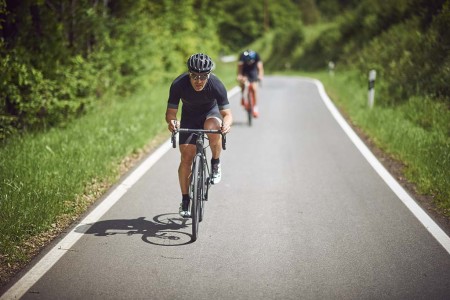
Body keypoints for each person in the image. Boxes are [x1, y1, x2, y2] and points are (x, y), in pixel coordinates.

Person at [165, 53, 233, 218]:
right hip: (189, 117)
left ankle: (215, 162)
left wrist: (226, 125)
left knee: (213, 127)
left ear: (208, 75)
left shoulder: (216, 84)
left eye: (203, 76)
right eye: (194, 76)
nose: (198, 80)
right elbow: (171, 113)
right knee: (187, 156)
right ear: (189, 73)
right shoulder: (178, 84)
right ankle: (186, 199)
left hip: (211, 114)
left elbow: (227, 114)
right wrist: (172, 123)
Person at [237, 49, 264, 117]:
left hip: (253, 71)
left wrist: (260, 76)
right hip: (245, 71)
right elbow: (240, 67)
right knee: (243, 84)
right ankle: (243, 97)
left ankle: (255, 108)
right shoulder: (242, 56)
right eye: (248, 61)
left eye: (251, 61)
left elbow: (260, 67)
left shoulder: (256, 56)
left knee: (254, 88)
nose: (249, 62)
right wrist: (239, 76)